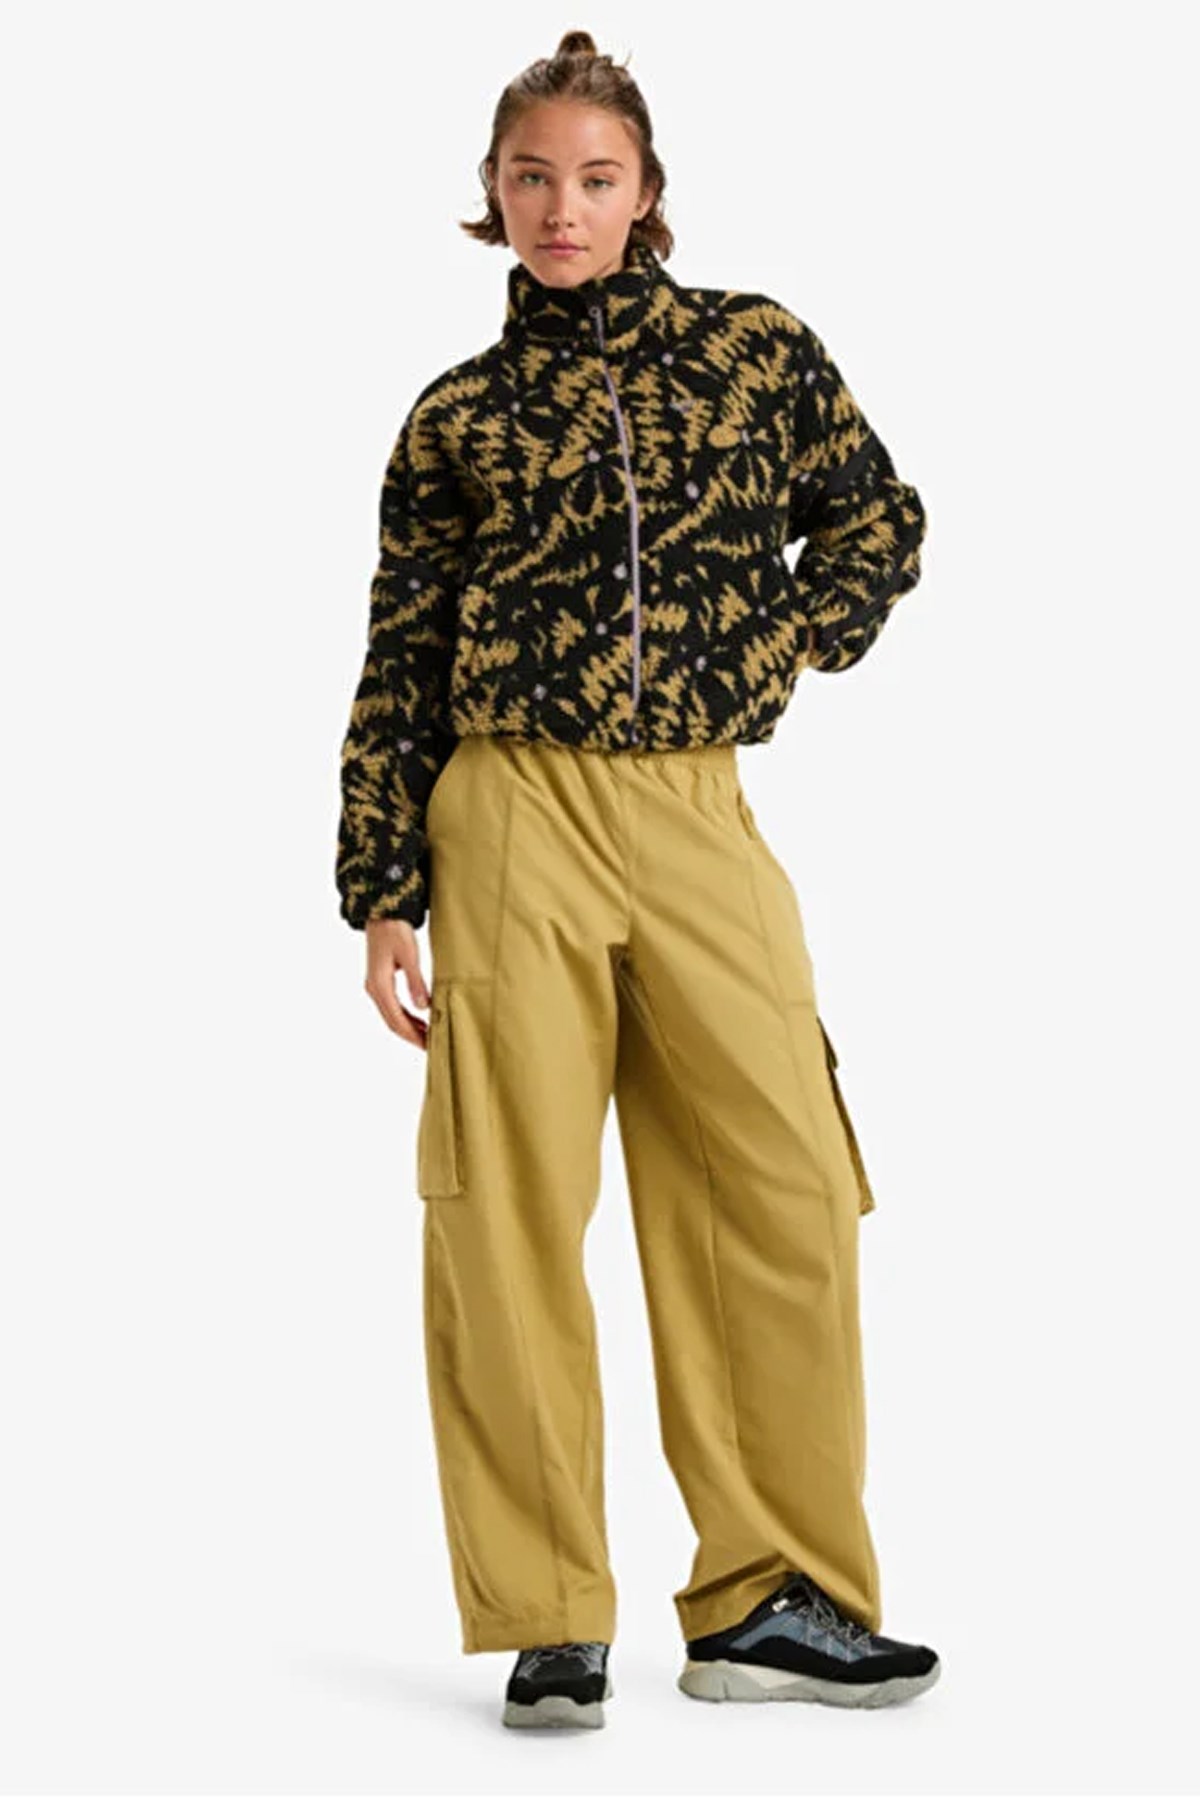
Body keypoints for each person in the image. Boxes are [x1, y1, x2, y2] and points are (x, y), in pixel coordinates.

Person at [335, 28, 939, 1730]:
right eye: (531, 178)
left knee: (782, 1184)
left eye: (594, 178)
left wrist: (779, 638)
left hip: (696, 810)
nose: (561, 207)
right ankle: (551, 1613)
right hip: (508, 813)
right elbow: (401, 652)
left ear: (647, 190)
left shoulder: (755, 352)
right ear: (492, 193)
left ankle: (774, 1599)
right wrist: (382, 886)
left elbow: (879, 520)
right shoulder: (457, 417)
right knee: (510, 1209)